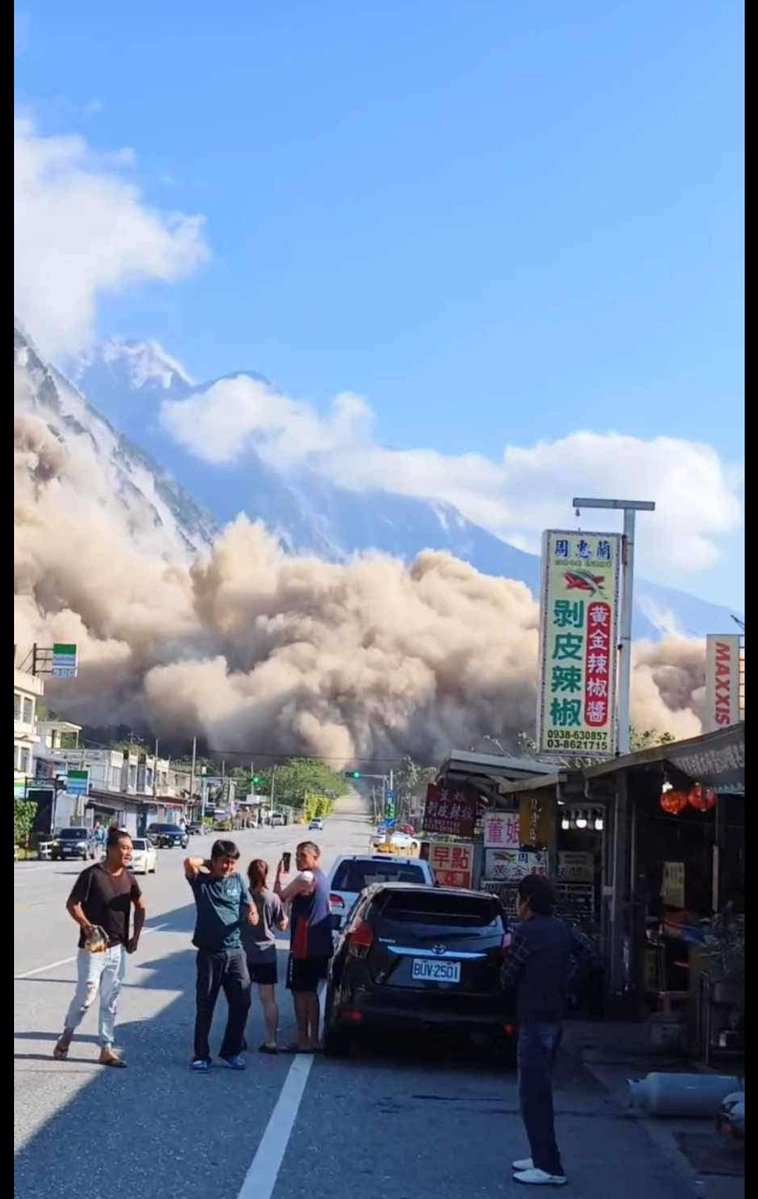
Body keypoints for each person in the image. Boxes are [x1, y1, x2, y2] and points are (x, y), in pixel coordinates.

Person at [502, 875, 599, 1188]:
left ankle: (549, 1166)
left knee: (532, 1093)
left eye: (519, 897)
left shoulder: (524, 933)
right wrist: (566, 982)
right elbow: (591, 957)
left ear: (527, 900)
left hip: (532, 1017)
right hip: (554, 1016)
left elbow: (507, 977)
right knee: (540, 1089)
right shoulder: (562, 928)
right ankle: (540, 1156)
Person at [53, 827, 146, 1068]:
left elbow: (141, 906)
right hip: (94, 947)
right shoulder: (92, 875)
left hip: (117, 948)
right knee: (87, 995)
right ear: (111, 849)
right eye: (124, 848)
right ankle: (67, 1034)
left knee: (111, 998)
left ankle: (106, 1048)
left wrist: (135, 936)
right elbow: (72, 904)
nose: (128, 852)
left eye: (130, 848)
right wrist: (85, 925)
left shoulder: (129, 877)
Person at [184, 839, 259, 1072]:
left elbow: (250, 905)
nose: (229, 867)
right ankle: (201, 1055)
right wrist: (209, 864)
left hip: (235, 952)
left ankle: (231, 1051)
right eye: (225, 862)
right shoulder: (202, 882)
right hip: (209, 954)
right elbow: (188, 862)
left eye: (233, 863)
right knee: (205, 1005)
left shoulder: (237, 880)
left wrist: (253, 913)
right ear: (214, 861)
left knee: (242, 1002)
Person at [274, 840, 333, 1053]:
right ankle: (313, 1039)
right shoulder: (322, 878)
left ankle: (303, 1039)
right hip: (320, 943)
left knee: (300, 992)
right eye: (297, 855)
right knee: (311, 992)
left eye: (303, 856)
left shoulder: (306, 877)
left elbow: (279, 896)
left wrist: (279, 876)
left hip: (304, 943)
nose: (299, 859)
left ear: (315, 858)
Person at [242, 859, 289, 1053]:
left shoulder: (243, 897)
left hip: (245, 951)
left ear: (249, 874)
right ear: (266, 874)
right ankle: (271, 1040)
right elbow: (282, 926)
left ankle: (239, 1037)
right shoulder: (272, 898)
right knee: (268, 999)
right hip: (266, 952)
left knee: (241, 997)